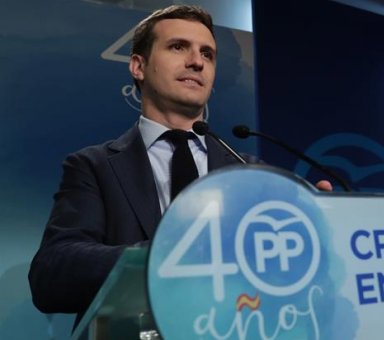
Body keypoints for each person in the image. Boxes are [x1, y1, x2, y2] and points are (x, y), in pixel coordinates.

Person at [28, 5, 330, 324]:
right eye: (178, 47)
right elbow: (51, 274)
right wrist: (172, 254)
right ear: (138, 66)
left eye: (208, 54)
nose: (196, 62)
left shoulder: (251, 172)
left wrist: (315, 227)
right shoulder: (94, 166)